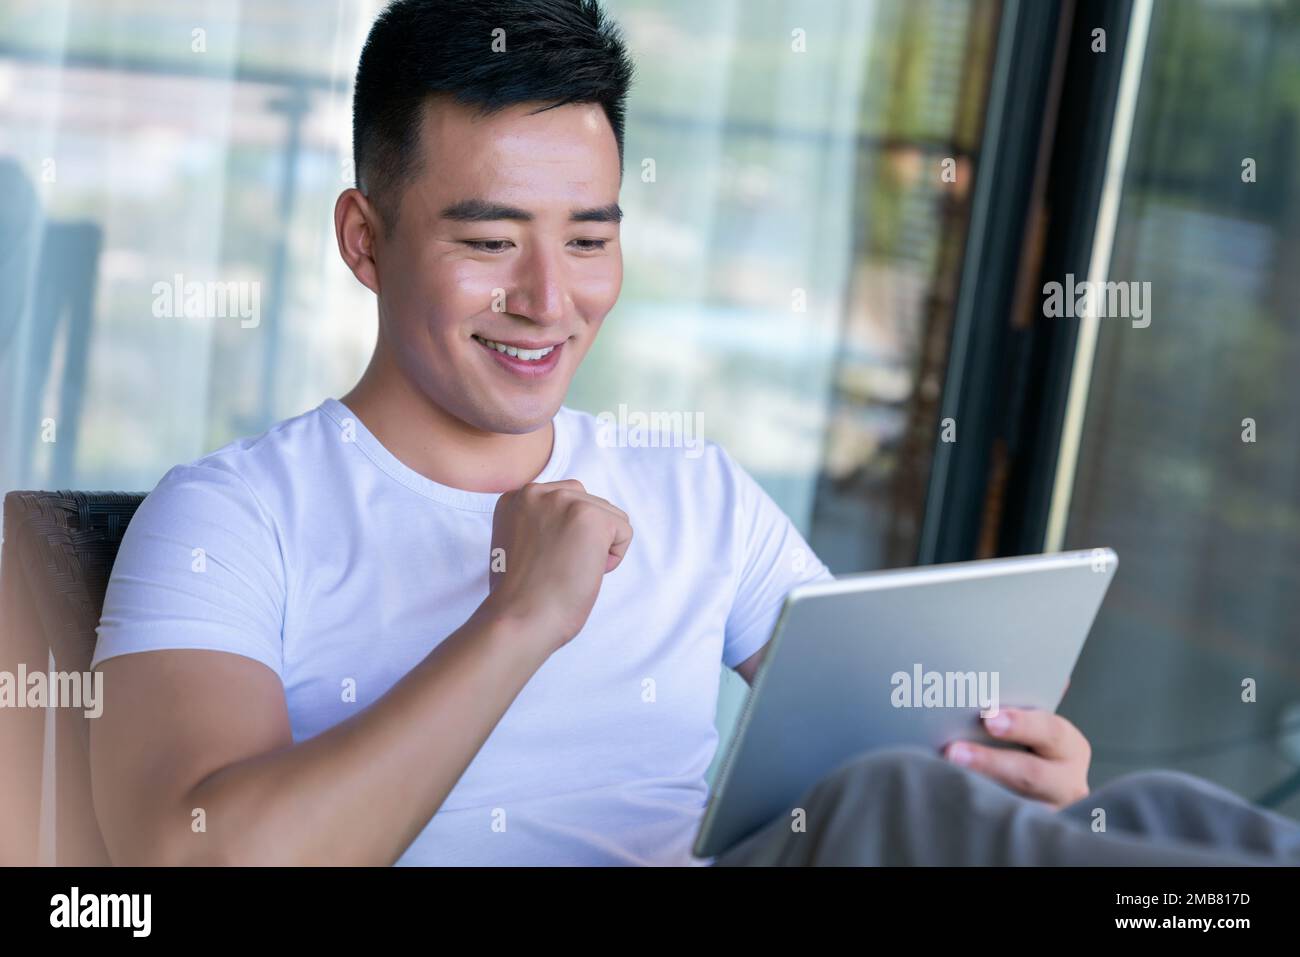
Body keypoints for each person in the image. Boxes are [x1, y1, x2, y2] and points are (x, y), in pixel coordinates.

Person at [89, 0, 1299, 867]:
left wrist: (1016, 786)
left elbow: (897, 757)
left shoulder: (695, 490)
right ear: (365, 241)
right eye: (487, 239)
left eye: (588, 236)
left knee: (1157, 819)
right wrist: (519, 621)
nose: (549, 300)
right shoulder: (229, 516)